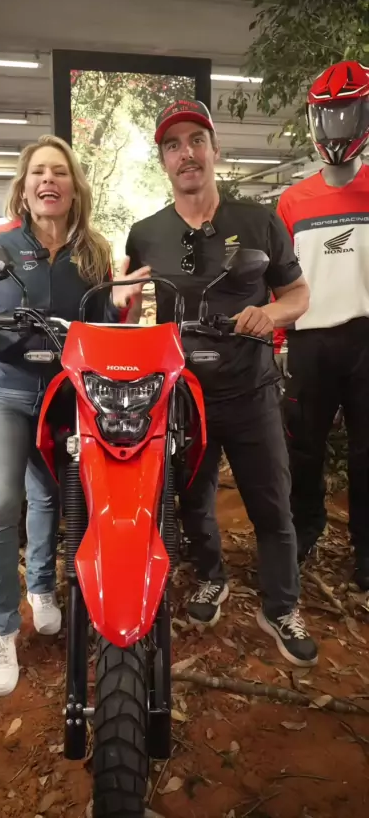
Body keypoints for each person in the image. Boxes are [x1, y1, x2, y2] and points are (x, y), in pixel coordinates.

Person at [0, 134, 149, 696]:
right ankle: (1, 628)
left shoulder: (94, 252)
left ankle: (41, 586)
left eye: (59, 172)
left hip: (68, 395)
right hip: (3, 391)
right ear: (24, 187)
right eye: (39, 171)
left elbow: (106, 326)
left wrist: (125, 306)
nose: (49, 180)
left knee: (52, 496)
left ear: (74, 188)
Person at [125, 99, 318, 667]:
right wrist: (121, 304)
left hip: (252, 389)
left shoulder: (259, 221)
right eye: (173, 145)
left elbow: (299, 295)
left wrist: (270, 314)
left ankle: (280, 606)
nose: (186, 154)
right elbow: (129, 308)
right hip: (184, 396)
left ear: (215, 150)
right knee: (193, 500)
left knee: (272, 505)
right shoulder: (146, 233)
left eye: (195, 141)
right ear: (164, 161)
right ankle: (212, 577)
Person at [276, 60, 369, 591]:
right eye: (328, 115)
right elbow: (279, 281)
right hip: (308, 340)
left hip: (365, 338)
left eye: (346, 114)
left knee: (367, 453)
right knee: (303, 449)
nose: (336, 126)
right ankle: (303, 533)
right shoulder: (293, 201)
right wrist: (278, 341)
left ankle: (366, 552)